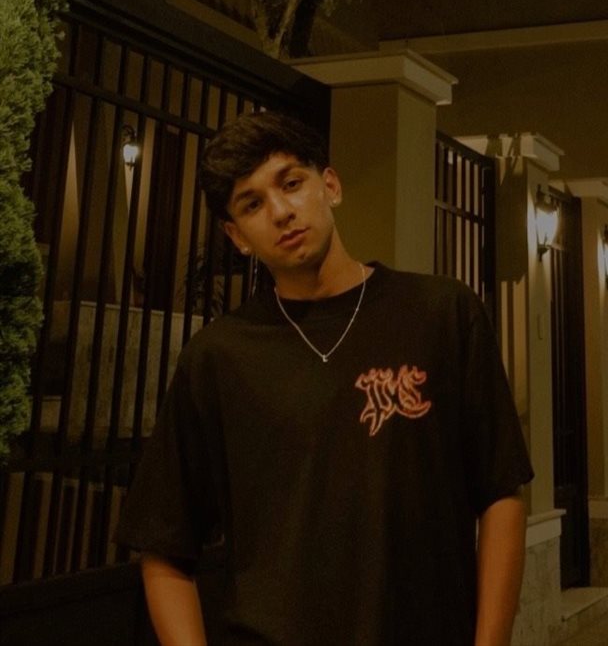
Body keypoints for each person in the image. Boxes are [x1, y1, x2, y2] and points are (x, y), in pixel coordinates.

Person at [115, 110, 533, 646]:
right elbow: (164, 544)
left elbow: (501, 492)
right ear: (236, 236)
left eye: (291, 183)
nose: (281, 211)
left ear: (330, 185)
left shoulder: (441, 314)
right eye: (252, 204)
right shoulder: (218, 358)